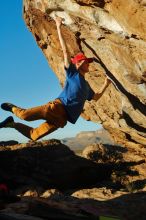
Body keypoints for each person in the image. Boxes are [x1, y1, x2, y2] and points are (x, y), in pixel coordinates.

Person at [0, 17, 110, 141]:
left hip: (62, 119)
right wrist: (58, 26)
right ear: (78, 64)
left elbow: (96, 97)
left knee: (34, 135)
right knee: (24, 116)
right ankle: (12, 108)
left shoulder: (87, 86)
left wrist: (106, 83)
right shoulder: (72, 74)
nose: (88, 64)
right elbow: (65, 52)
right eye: (86, 62)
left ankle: (11, 124)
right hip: (55, 108)